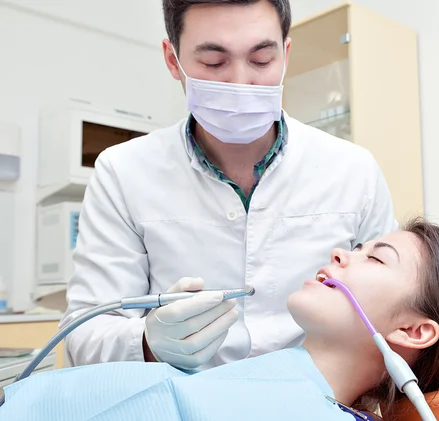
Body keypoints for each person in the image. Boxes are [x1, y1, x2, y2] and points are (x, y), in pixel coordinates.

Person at [59, 0, 398, 371]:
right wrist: (147, 342)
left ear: (285, 54)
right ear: (173, 60)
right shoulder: (123, 172)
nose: (240, 82)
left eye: (261, 60)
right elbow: (83, 336)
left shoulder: (353, 169)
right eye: (214, 62)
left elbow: (392, 310)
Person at [4, 219, 439, 420]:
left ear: (413, 331)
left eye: (377, 259)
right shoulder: (272, 383)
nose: (343, 253)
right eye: (358, 246)